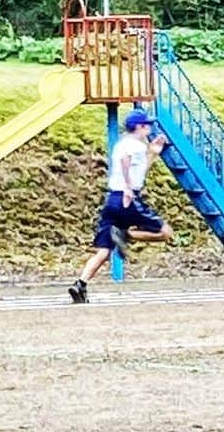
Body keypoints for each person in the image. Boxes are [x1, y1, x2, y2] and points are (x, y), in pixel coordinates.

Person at [68, 108, 173, 303]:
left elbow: (137, 170)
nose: (149, 129)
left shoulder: (121, 144)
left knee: (104, 251)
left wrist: (153, 153)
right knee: (165, 232)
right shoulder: (136, 145)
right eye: (146, 125)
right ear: (139, 127)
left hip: (112, 200)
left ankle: (80, 284)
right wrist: (127, 187)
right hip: (128, 198)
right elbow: (128, 165)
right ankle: (126, 234)